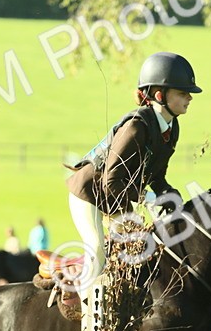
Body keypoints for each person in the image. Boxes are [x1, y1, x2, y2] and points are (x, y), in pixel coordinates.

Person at [65, 51, 200, 286]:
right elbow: (111, 182)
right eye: (182, 93)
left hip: (117, 197)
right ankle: (88, 317)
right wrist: (150, 198)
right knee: (98, 249)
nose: (189, 98)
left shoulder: (171, 127)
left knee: (138, 253)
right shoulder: (136, 127)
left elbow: (156, 175)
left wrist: (168, 193)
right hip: (89, 193)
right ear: (160, 95)